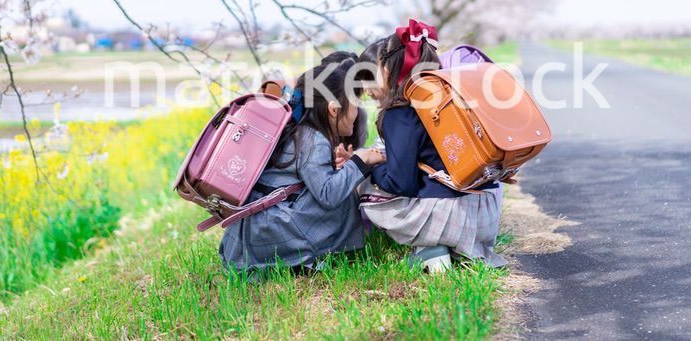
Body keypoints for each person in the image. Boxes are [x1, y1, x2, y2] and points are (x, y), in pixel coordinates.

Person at [356, 19, 508, 271]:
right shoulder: (443, 97)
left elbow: (401, 184)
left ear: (390, 69)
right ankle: (452, 248)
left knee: (365, 188)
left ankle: (430, 248)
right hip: (485, 213)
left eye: (369, 77)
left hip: (451, 216)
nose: (366, 89)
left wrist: (370, 166)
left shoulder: (400, 113)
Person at [218, 58, 385, 275]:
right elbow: (329, 195)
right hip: (267, 236)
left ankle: (303, 258)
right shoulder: (312, 139)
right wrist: (360, 161)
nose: (356, 113)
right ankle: (302, 261)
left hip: (248, 237)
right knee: (344, 195)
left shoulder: (294, 129)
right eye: (355, 105)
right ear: (334, 110)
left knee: (342, 179)